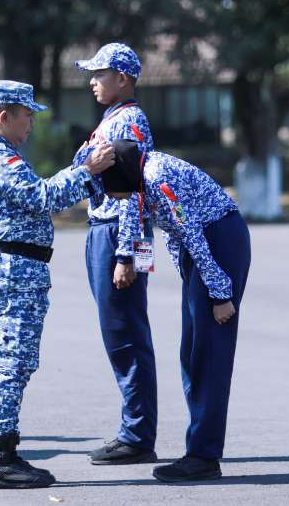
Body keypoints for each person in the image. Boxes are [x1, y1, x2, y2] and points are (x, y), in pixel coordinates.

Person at [0, 80, 115, 489]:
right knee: (11, 363)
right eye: (27, 114)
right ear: (4, 116)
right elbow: (42, 196)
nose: (32, 121)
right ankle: (0, 457)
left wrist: (82, 169)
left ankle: (4, 451)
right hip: (12, 270)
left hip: (15, 268)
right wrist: (88, 171)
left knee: (15, 361)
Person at [98, 140, 251, 483]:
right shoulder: (138, 173)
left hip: (218, 242)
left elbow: (191, 232)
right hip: (201, 251)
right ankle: (198, 450)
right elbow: (144, 224)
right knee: (192, 352)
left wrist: (220, 293)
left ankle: (204, 457)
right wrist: (139, 264)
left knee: (208, 351)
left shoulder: (157, 175)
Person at [71, 43, 159, 465]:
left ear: (122, 78)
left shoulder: (129, 121)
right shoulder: (114, 118)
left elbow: (133, 192)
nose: (91, 80)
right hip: (107, 233)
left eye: (99, 73)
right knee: (122, 330)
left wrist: (125, 254)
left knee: (125, 333)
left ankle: (137, 435)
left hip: (118, 235)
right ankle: (135, 430)